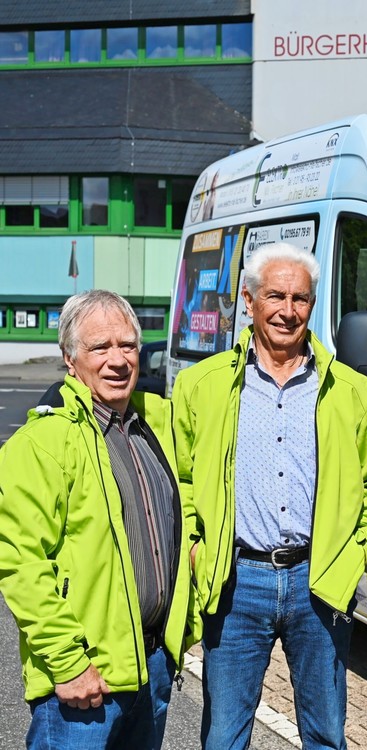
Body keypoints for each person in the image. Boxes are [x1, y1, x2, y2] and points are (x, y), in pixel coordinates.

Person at [172, 242, 367, 750]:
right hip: (236, 582)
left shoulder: (351, 391)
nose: (288, 311)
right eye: (275, 296)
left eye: (300, 299)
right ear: (249, 302)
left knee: (325, 735)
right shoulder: (201, 385)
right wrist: (198, 547)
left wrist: (353, 556)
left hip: (319, 582)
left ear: (313, 305)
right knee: (224, 736)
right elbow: (178, 481)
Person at [0, 289, 197, 749]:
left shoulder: (157, 424)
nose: (118, 360)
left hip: (153, 665)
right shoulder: (40, 443)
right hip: (85, 683)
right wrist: (67, 663)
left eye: (127, 345)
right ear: (70, 359)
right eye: (100, 347)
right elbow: (20, 563)